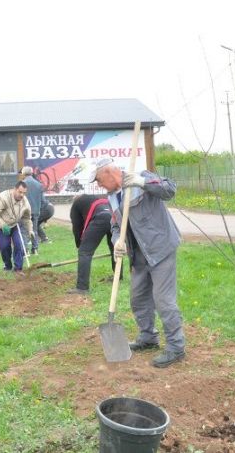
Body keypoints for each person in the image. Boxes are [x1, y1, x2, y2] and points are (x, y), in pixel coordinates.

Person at [91, 157, 186, 368]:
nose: (98, 185)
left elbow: (170, 189)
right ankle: (148, 336)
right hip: (139, 255)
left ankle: (176, 346)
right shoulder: (112, 197)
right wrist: (117, 241)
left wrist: (143, 183)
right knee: (138, 298)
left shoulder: (141, 177)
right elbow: (116, 226)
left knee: (163, 300)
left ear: (109, 172)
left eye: (98, 179)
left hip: (160, 248)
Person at [67, 194, 118, 295]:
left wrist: (79, 245)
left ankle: (82, 288)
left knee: (85, 252)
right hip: (113, 217)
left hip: (100, 217)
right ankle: (117, 277)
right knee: (114, 248)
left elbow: (77, 227)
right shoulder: (95, 198)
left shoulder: (76, 204)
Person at [0, 181, 33, 272]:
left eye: (24, 193)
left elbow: (27, 218)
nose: (22, 195)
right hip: (2, 226)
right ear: (14, 189)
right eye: (20, 192)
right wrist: (2, 225)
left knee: (19, 245)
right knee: (5, 247)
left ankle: (18, 269)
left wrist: (30, 230)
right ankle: (8, 266)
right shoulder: (3, 197)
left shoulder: (25, 202)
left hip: (14, 225)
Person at [20, 166, 43, 254]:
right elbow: (42, 199)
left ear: (23, 173)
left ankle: (26, 250)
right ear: (32, 173)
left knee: (24, 231)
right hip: (36, 210)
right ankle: (35, 249)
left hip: (24, 211)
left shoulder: (21, 184)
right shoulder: (39, 184)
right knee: (34, 230)